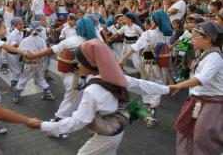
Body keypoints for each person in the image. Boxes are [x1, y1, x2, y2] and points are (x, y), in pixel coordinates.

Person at [31, 39, 169, 155]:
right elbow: (139, 84)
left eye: (80, 62)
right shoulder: (112, 75)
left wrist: (46, 126)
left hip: (106, 135)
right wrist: (167, 89)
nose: (77, 65)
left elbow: (79, 120)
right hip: (114, 131)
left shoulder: (92, 90)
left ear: (90, 64)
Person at [24, 16, 98, 137]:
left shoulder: (74, 40)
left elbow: (52, 49)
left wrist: (33, 56)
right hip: (76, 77)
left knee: (80, 101)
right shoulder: (90, 41)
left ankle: (86, 123)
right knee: (70, 103)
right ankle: (55, 128)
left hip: (77, 76)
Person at [168, 21, 223, 155]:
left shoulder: (215, 56)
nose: (191, 38)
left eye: (194, 36)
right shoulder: (201, 52)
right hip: (197, 99)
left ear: (208, 39)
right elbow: (181, 52)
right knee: (188, 130)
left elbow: (200, 79)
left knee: (202, 135)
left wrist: (178, 86)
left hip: (212, 103)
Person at [119, 10, 173, 128]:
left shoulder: (148, 33)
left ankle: (149, 114)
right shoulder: (167, 34)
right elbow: (168, 49)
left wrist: (122, 59)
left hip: (147, 65)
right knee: (157, 86)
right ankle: (151, 114)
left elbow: (135, 47)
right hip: (160, 65)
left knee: (146, 85)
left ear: (155, 20)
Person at [13, 21, 54, 103]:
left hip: (28, 64)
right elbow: (44, 53)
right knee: (40, 79)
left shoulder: (25, 40)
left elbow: (20, 51)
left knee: (23, 79)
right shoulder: (42, 40)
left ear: (30, 29)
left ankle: (16, 96)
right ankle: (48, 93)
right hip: (39, 64)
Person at [6, 17, 25, 89]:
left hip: (17, 53)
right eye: (19, 24)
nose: (22, 25)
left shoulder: (21, 32)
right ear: (14, 26)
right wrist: (23, 48)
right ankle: (14, 83)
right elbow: (15, 44)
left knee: (17, 68)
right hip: (12, 54)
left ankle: (16, 82)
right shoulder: (13, 34)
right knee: (15, 69)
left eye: (22, 24)